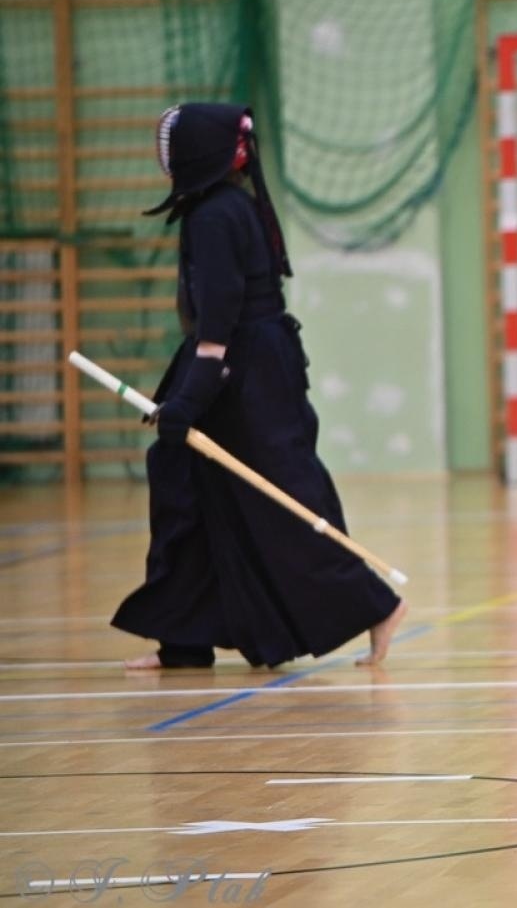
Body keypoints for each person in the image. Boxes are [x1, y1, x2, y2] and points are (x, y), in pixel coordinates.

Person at [112, 103, 406, 671]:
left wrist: (190, 399)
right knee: (188, 483)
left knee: (281, 498)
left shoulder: (217, 216)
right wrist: (186, 396)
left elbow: (219, 326)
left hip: (250, 377)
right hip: (247, 363)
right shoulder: (219, 208)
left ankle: (374, 604)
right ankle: (184, 637)